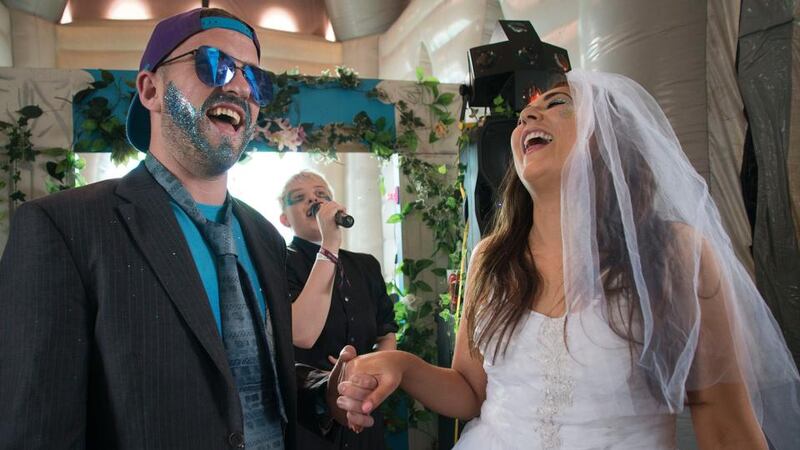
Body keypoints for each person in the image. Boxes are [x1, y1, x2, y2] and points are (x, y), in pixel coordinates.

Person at [336, 69, 800, 449]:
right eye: (525, 113)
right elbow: (472, 391)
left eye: (560, 103)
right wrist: (404, 365)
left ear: (613, 142)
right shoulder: (489, 258)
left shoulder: (674, 254)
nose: (528, 113)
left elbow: (724, 425)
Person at [0, 8, 355, 449]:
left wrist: (326, 394)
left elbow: (244, 378)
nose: (240, 85)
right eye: (214, 63)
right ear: (151, 89)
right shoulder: (65, 228)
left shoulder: (263, 234)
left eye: (256, 79)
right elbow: (40, 431)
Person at [279, 170, 398, 449]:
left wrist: (373, 375)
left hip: (364, 403)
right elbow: (301, 334)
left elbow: (386, 331)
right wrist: (329, 243)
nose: (314, 200)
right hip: (310, 416)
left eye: (322, 195)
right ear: (284, 218)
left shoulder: (366, 265)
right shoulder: (280, 260)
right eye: (300, 198)